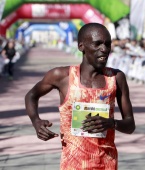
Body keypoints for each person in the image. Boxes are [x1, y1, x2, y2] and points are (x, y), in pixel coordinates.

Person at [25, 23, 135, 170]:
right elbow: (31, 95)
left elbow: (130, 125)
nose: (104, 49)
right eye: (97, 44)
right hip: (72, 163)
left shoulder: (116, 78)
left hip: (106, 163)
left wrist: (111, 123)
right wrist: (36, 121)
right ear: (81, 46)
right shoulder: (62, 76)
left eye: (107, 44)